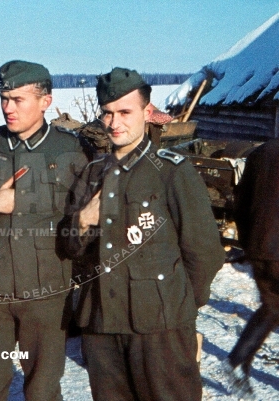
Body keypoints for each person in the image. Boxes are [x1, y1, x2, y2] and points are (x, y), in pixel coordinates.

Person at [61, 67, 225, 400]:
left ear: (147, 113)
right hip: (102, 326)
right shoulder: (92, 174)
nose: (115, 123)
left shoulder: (171, 171)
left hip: (160, 328)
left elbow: (204, 252)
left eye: (125, 112)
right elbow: (69, 248)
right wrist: (82, 221)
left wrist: (180, 312)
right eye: (107, 113)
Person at [0, 60, 91, 401]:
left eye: (18, 100)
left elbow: (83, 221)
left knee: (43, 388)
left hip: (44, 291)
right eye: (4, 98)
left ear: (46, 101)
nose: (8, 108)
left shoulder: (69, 150)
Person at [223, 138, 279, 399]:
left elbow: (240, 201)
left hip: (259, 247)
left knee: (272, 306)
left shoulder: (261, 153)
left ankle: (236, 361)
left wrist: (248, 243)